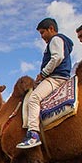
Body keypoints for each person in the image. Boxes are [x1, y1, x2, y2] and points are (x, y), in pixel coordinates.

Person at [17, 18, 73, 149]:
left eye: (43, 33)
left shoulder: (56, 39)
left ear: (51, 29)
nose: (42, 37)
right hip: (63, 77)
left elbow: (57, 57)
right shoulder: (64, 41)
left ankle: (33, 135)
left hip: (55, 78)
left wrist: (44, 73)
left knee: (33, 98)